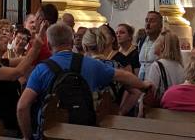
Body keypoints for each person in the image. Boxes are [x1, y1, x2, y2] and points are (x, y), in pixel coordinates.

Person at [16, 22, 151, 140]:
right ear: (71, 42)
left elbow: (22, 107)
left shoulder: (42, 69)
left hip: (49, 131)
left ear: (50, 45)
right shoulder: (91, 64)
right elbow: (124, 76)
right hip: (84, 130)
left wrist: (27, 136)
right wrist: (143, 85)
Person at [0, 25, 43, 136]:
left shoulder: (1, 62)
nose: (5, 39)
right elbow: (17, 72)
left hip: (8, 122)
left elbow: (26, 59)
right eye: (0, 38)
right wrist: (35, 48)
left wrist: (40, 35)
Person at [140, 31, 186, 109]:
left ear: (162, 46)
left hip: (161, 109)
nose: (154, 44)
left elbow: (151, 92)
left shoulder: (157, 65)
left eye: (157, 41)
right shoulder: (180, 66)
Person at [137, 11, 163, 75]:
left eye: (152, 21)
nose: (148, 24)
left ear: (160, 26)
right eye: (146, 20)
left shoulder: (164, 41)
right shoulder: (142, 41)